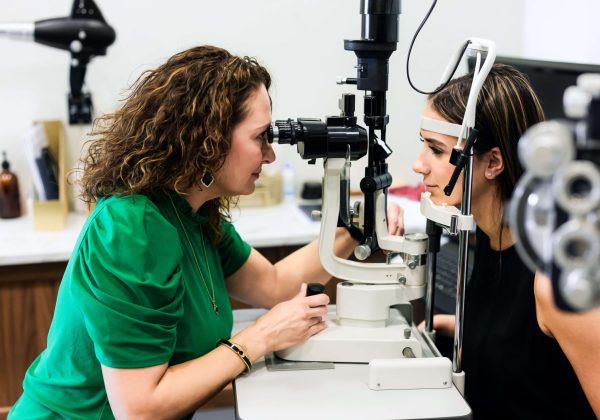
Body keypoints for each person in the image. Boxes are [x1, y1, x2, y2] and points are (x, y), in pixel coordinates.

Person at [8, 45, 402, 419]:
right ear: (207, 139)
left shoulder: (193, 214)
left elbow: (277, 285)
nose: (269, 154)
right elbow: (139, 408)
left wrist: (355, 229)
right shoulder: (132, 228)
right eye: (260, 136)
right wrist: (258, 338)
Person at [411, 63, 599, 419]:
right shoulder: (487, 234)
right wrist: (464, 331)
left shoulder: (552, 280)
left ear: (493, 162)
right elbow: (528, 349)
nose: (419, 165)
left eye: (435, 150)